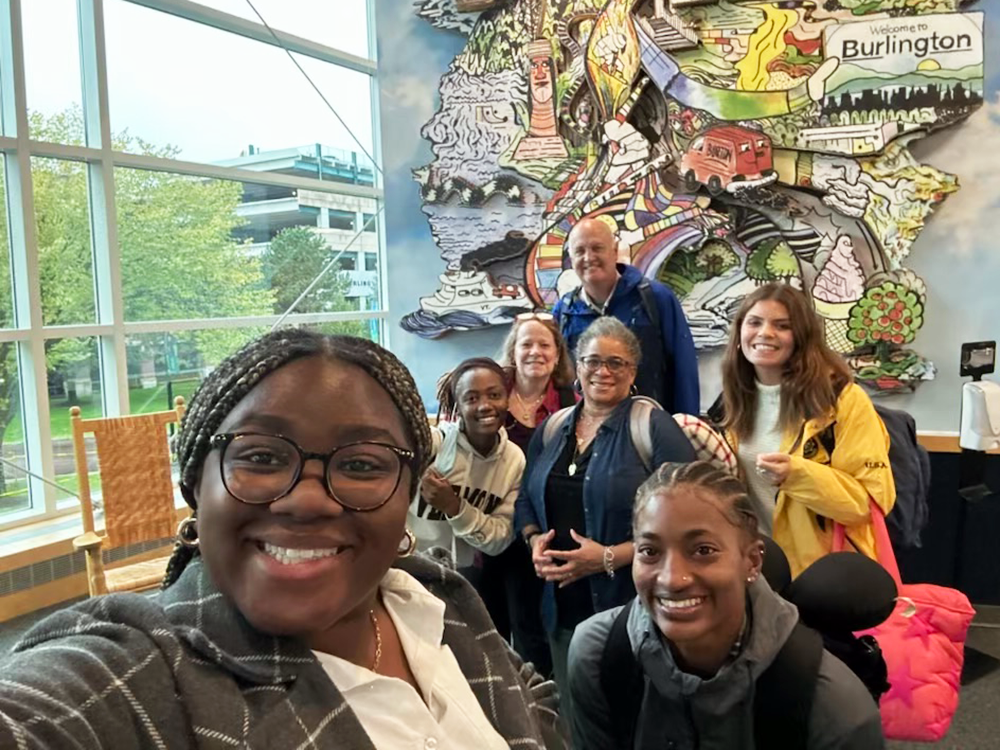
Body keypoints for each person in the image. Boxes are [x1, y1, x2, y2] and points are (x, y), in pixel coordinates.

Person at [0, 331, 566, 750]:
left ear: (407, 493)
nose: (309, 499)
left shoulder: (436, 597)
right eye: (262, 457)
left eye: (363, 463)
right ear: (196, 484)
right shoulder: (142, 676)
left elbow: (523, 694)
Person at [568, 461, 884, 749]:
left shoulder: (831, 707)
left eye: (703, 550)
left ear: (751, 561)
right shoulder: (600, 655)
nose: (672, 579)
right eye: (650, 552)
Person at [514, 316, 696, 722]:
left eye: (616, 363)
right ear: (577, 366)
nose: (603, 371)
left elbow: (692, 512)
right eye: (593, 361)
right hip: (560, 610)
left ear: (632, 372)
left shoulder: (651, 426)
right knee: (579, 722)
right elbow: (524, 495)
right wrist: (533, 542)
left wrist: (610, 557)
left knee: (637, 719)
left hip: (632, 611)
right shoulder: (553, 428)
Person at [718, 282, 895, 577]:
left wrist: (797, 475)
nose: (765, 333)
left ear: (801, 338)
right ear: (739, 333)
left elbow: (869, 502)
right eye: (754, 322)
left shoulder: (843, 401)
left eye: (782, 325)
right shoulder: (729, 403)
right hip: (752, 570)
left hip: (821, 575)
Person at [486, 311, 578, 676]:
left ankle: (542, 710)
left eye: (545, 345)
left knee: (535, 631)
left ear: (557, 355)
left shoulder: (571, 402)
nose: (535, 352)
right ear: (513, 350)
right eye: (527, 344)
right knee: (492, 627)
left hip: (545, 530)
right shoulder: (490, 395)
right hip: (491, 529)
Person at [552, 216, 700, 414]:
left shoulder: (655, 298)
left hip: (651, 428)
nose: (588, 257)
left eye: (597, 248)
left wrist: (685, 427)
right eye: (580, 251)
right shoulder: (564, 312)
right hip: (589, 432)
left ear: (614, 251)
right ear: (571, 260)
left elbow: (684, 369)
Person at [409, 357, 524, 595]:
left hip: (461, 581)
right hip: (408, 572)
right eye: (472, 398)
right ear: (458, 407)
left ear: (507, 398)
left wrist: (455, 507)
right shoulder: (432, 445)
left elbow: (499, 540)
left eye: (494, 395)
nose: (485, 406)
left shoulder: (514, 461)